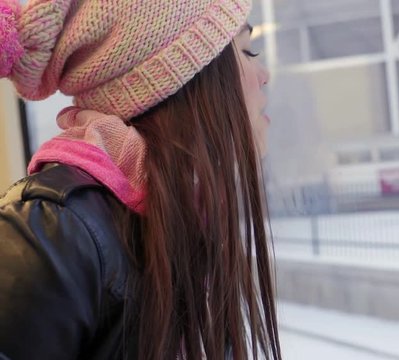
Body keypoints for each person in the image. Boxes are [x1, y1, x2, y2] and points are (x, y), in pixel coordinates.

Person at [0, 0, 281, 359]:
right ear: (178, 75)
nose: (264, 74)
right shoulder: (50, 235)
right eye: (247, 50)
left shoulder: (181, 215)